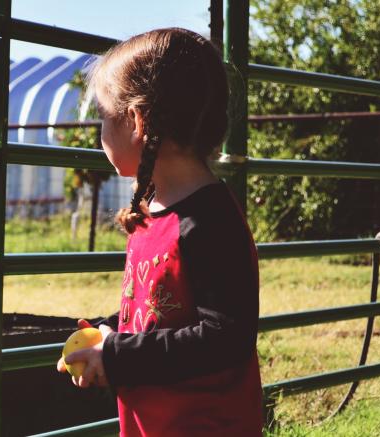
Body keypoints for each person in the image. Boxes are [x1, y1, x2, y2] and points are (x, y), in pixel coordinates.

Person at [56, 27, 263, 436]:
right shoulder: (154, 211)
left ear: (135, 120)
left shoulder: (210, 222)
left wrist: (116, 353)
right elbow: (158, 310)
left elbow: (225, 337)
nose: (99, 132)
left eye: (103, 117)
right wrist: (109, 331)